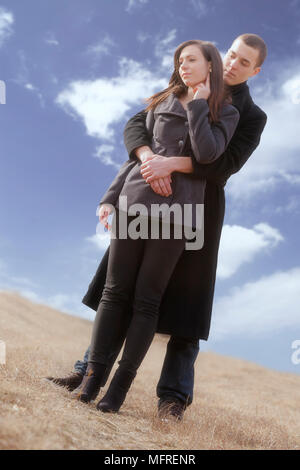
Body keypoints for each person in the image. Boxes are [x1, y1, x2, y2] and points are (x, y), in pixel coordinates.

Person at [47, 33, 267, 420]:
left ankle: (173, 398)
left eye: (244, 62)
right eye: (232, 55)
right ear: (221, 55)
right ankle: (88, 372)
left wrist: (171, 164)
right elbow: (137, 125)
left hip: (200, 205)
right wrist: (151, 158)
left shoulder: (251, 114)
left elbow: (223, 165)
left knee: (188, 301)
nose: (234, 64)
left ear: (255, 71)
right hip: (146, 191)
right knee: (121, 289)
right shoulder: (180, 85)